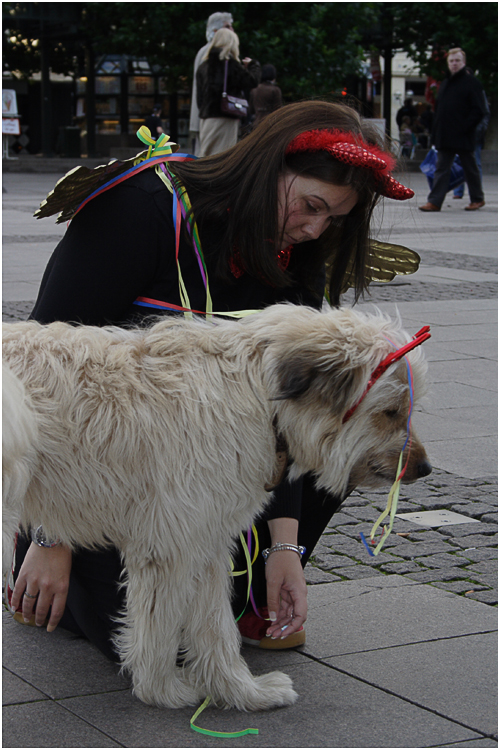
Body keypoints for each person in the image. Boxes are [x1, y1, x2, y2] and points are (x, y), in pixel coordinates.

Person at [9, 100, 415, 659]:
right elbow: (37, 374)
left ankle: (253, 588)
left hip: (216, 476)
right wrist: (52, 537)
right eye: (310, 205)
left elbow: (293, 417)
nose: (314, 229)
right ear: (268, 168)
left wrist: (287, 552)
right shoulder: (144, 209)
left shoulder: (300, 252)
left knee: (348, 434)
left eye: (334, 220)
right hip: (100, 478)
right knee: (166, 646)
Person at [419, 47, 487, 212]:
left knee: (470, 168)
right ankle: (435, 201)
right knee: (441, 169)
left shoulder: (472, 83)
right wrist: (435, 134)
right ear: (448, 63)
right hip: (445, 135)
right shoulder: (445, 83)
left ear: (463, 62)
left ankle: (477, 199)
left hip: (463, 135)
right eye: (451, 61)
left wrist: (465, 128)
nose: (454, 64)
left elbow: (480, 110)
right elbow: (439, 110)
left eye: (457, 61)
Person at [196, 28, 260, 157]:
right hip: (225, 117)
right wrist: (253, 65)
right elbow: (252, 81)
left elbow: (200, 98)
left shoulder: (203, 66)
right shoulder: (230, 65)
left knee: (207, 155)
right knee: (223, 157)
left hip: (207, 119)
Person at [189, 11, 234, 155]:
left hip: (206, 116)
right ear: (215, 31)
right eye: (227, 26)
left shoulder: (205, 52)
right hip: (212, 116)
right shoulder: (212, 53)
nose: (232, 31)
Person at [453, 89, 490, 198]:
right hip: (461, 134)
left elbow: (484, 114)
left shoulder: (477, 93)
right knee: (459, 163)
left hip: (474, 135)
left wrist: (479, 130)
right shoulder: (459, 93)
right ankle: (458, 191)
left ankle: (476, 193)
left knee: (475, 163)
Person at [249, 63, 283, 128]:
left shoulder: (255, 89)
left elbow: (251, 109)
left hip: (256, 122)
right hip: (270, 123)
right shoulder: (275, 90)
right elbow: (278, 109)